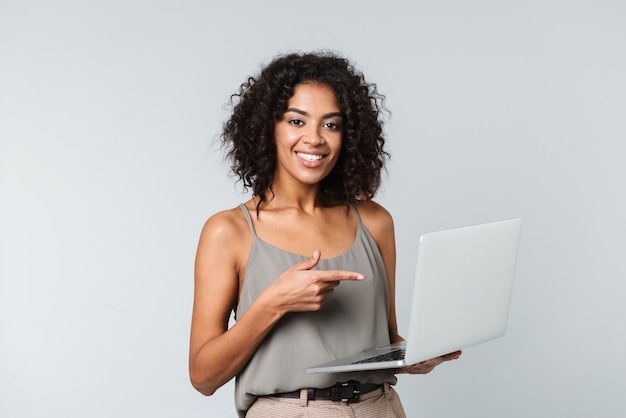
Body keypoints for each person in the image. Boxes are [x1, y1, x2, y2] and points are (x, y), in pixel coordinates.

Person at [189, 51, 462, 418]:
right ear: (268, 127)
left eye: (331, 125)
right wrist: (274, 304)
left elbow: (386, 338)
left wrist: (412, 358)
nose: (315, 139)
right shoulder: (230, 231)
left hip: (379, 407)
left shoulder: (375, 221)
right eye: (297, 121)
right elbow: (204, 377)